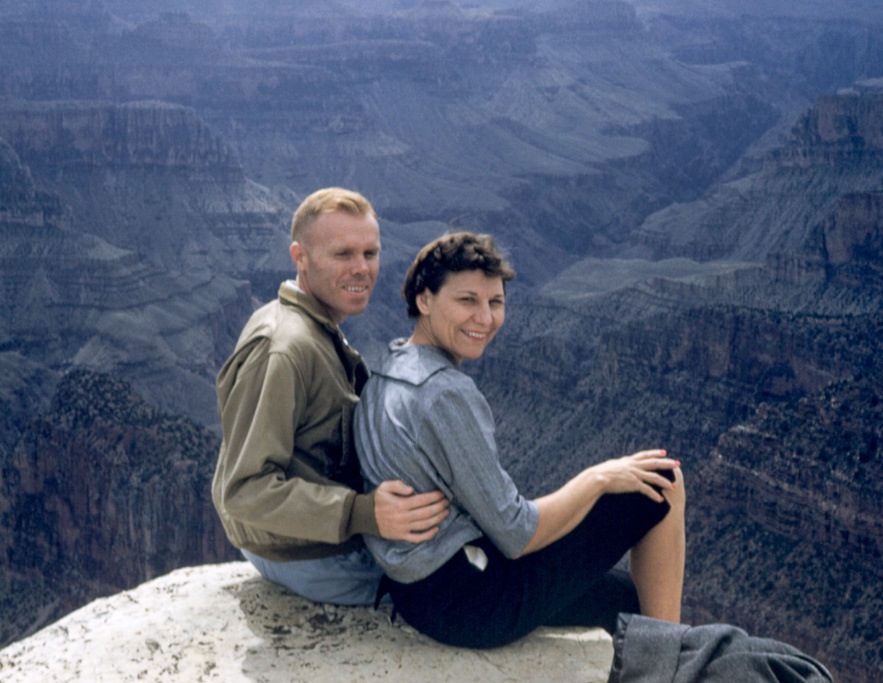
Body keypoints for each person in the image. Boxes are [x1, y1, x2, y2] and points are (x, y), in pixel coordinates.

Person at [354, 232, 686, 648]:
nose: (485, 318)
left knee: (626, 596)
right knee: (663, 481)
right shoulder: (444, 393)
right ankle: (676, 662)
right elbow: (516, 532)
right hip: (473, 602)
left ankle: (660, 654)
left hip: (415, 593)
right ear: (424, 300)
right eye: (467, 300)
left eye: (495, 302)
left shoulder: (385, 368)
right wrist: (598, 478)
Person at [211, 187, 449, 606]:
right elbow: (245, 490)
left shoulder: (313, 322)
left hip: (313, 539)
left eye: (370, 254)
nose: (362, 269)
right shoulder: (285, 348)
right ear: (299, 257)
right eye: (343, 255)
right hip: (309, 555)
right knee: (476, 591)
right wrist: (364, 513)